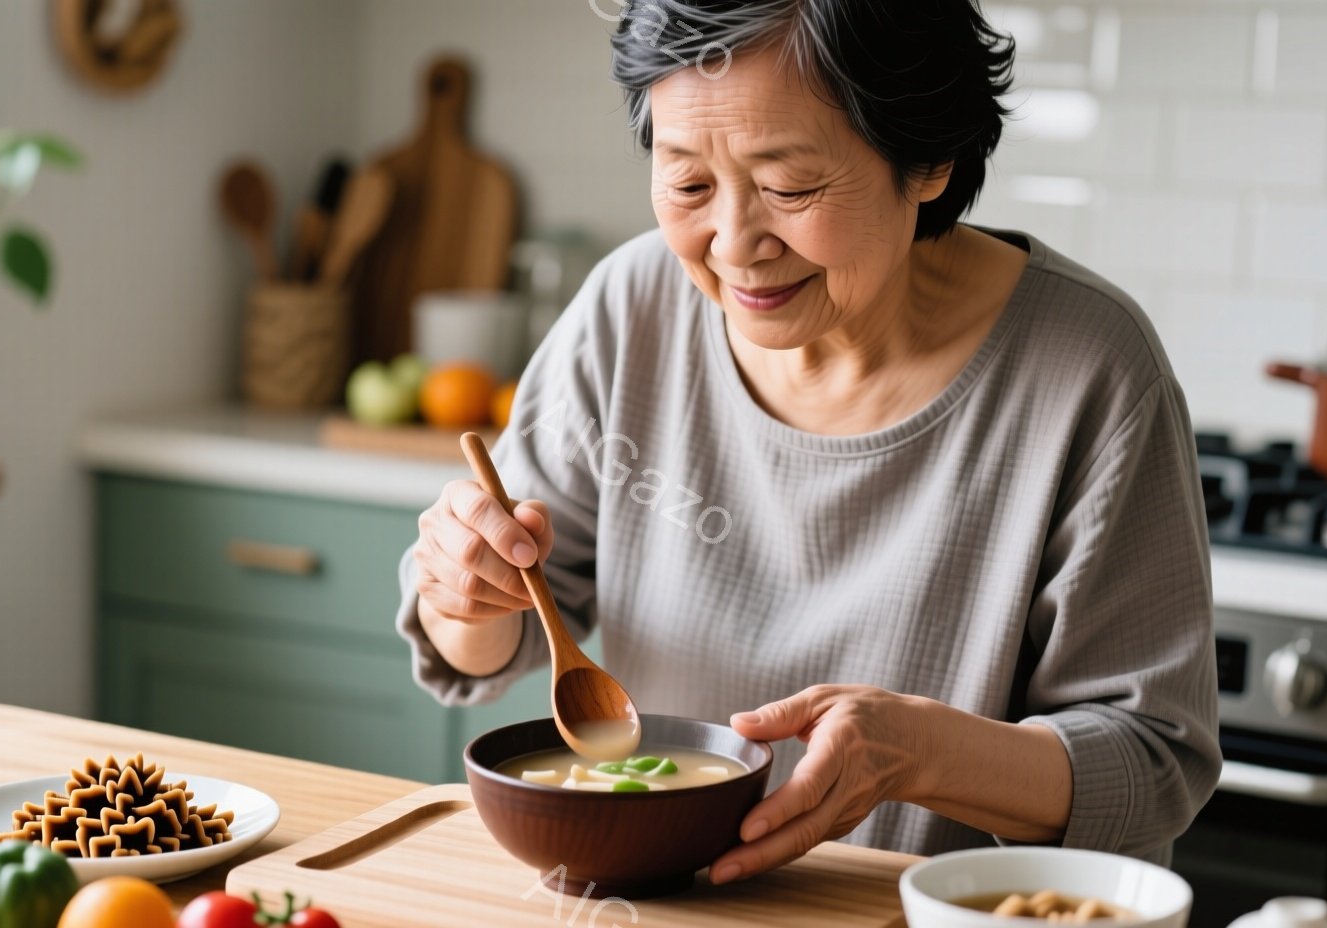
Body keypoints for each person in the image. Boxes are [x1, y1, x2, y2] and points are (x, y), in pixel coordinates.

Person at [394, 0, 1221, 882]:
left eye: (789, 188)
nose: (735, 245)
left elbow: (1151, 766)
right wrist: (466, 597)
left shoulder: (1090, 368)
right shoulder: (631, 308)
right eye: (688, 184)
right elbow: (500, 640)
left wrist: (920, 755)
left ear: (929, 159)